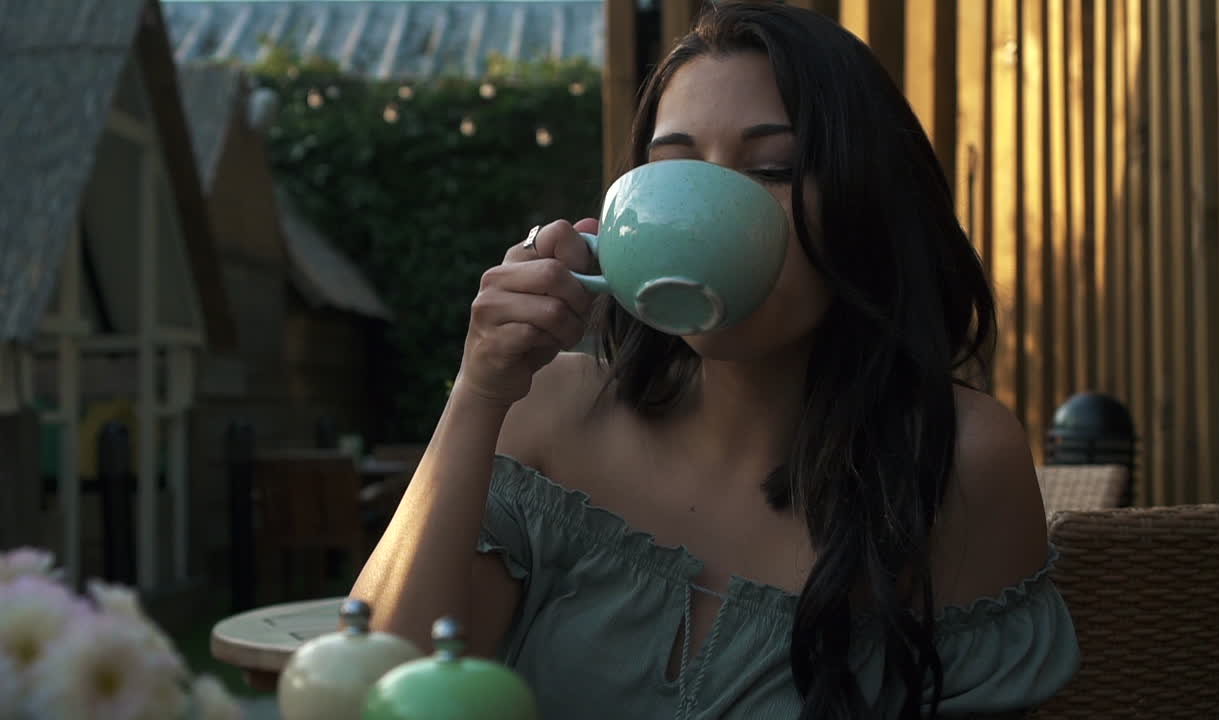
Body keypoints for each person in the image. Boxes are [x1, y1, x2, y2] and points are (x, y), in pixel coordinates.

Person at [352, 3, 1080, 718]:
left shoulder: (957, 455)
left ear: (872, 203)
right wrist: (479, 390)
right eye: (675, 171)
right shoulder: (548, 411)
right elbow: (374, 688)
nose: (709, 206)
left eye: (774, 168)